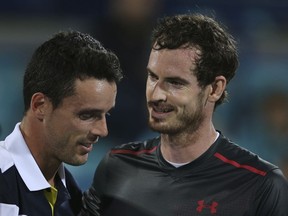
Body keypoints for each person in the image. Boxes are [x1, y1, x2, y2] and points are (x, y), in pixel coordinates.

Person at [80, 13, 288, 216]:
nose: (156, 94)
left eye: (175, 83)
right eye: (153, 77)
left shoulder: (261, 184)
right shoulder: (116, 166)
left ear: (215, 89)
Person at [0, 30, 123, 216]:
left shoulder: (76, 201)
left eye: (107, 114)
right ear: (40, 105)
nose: (102, 130)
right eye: (87, 115)